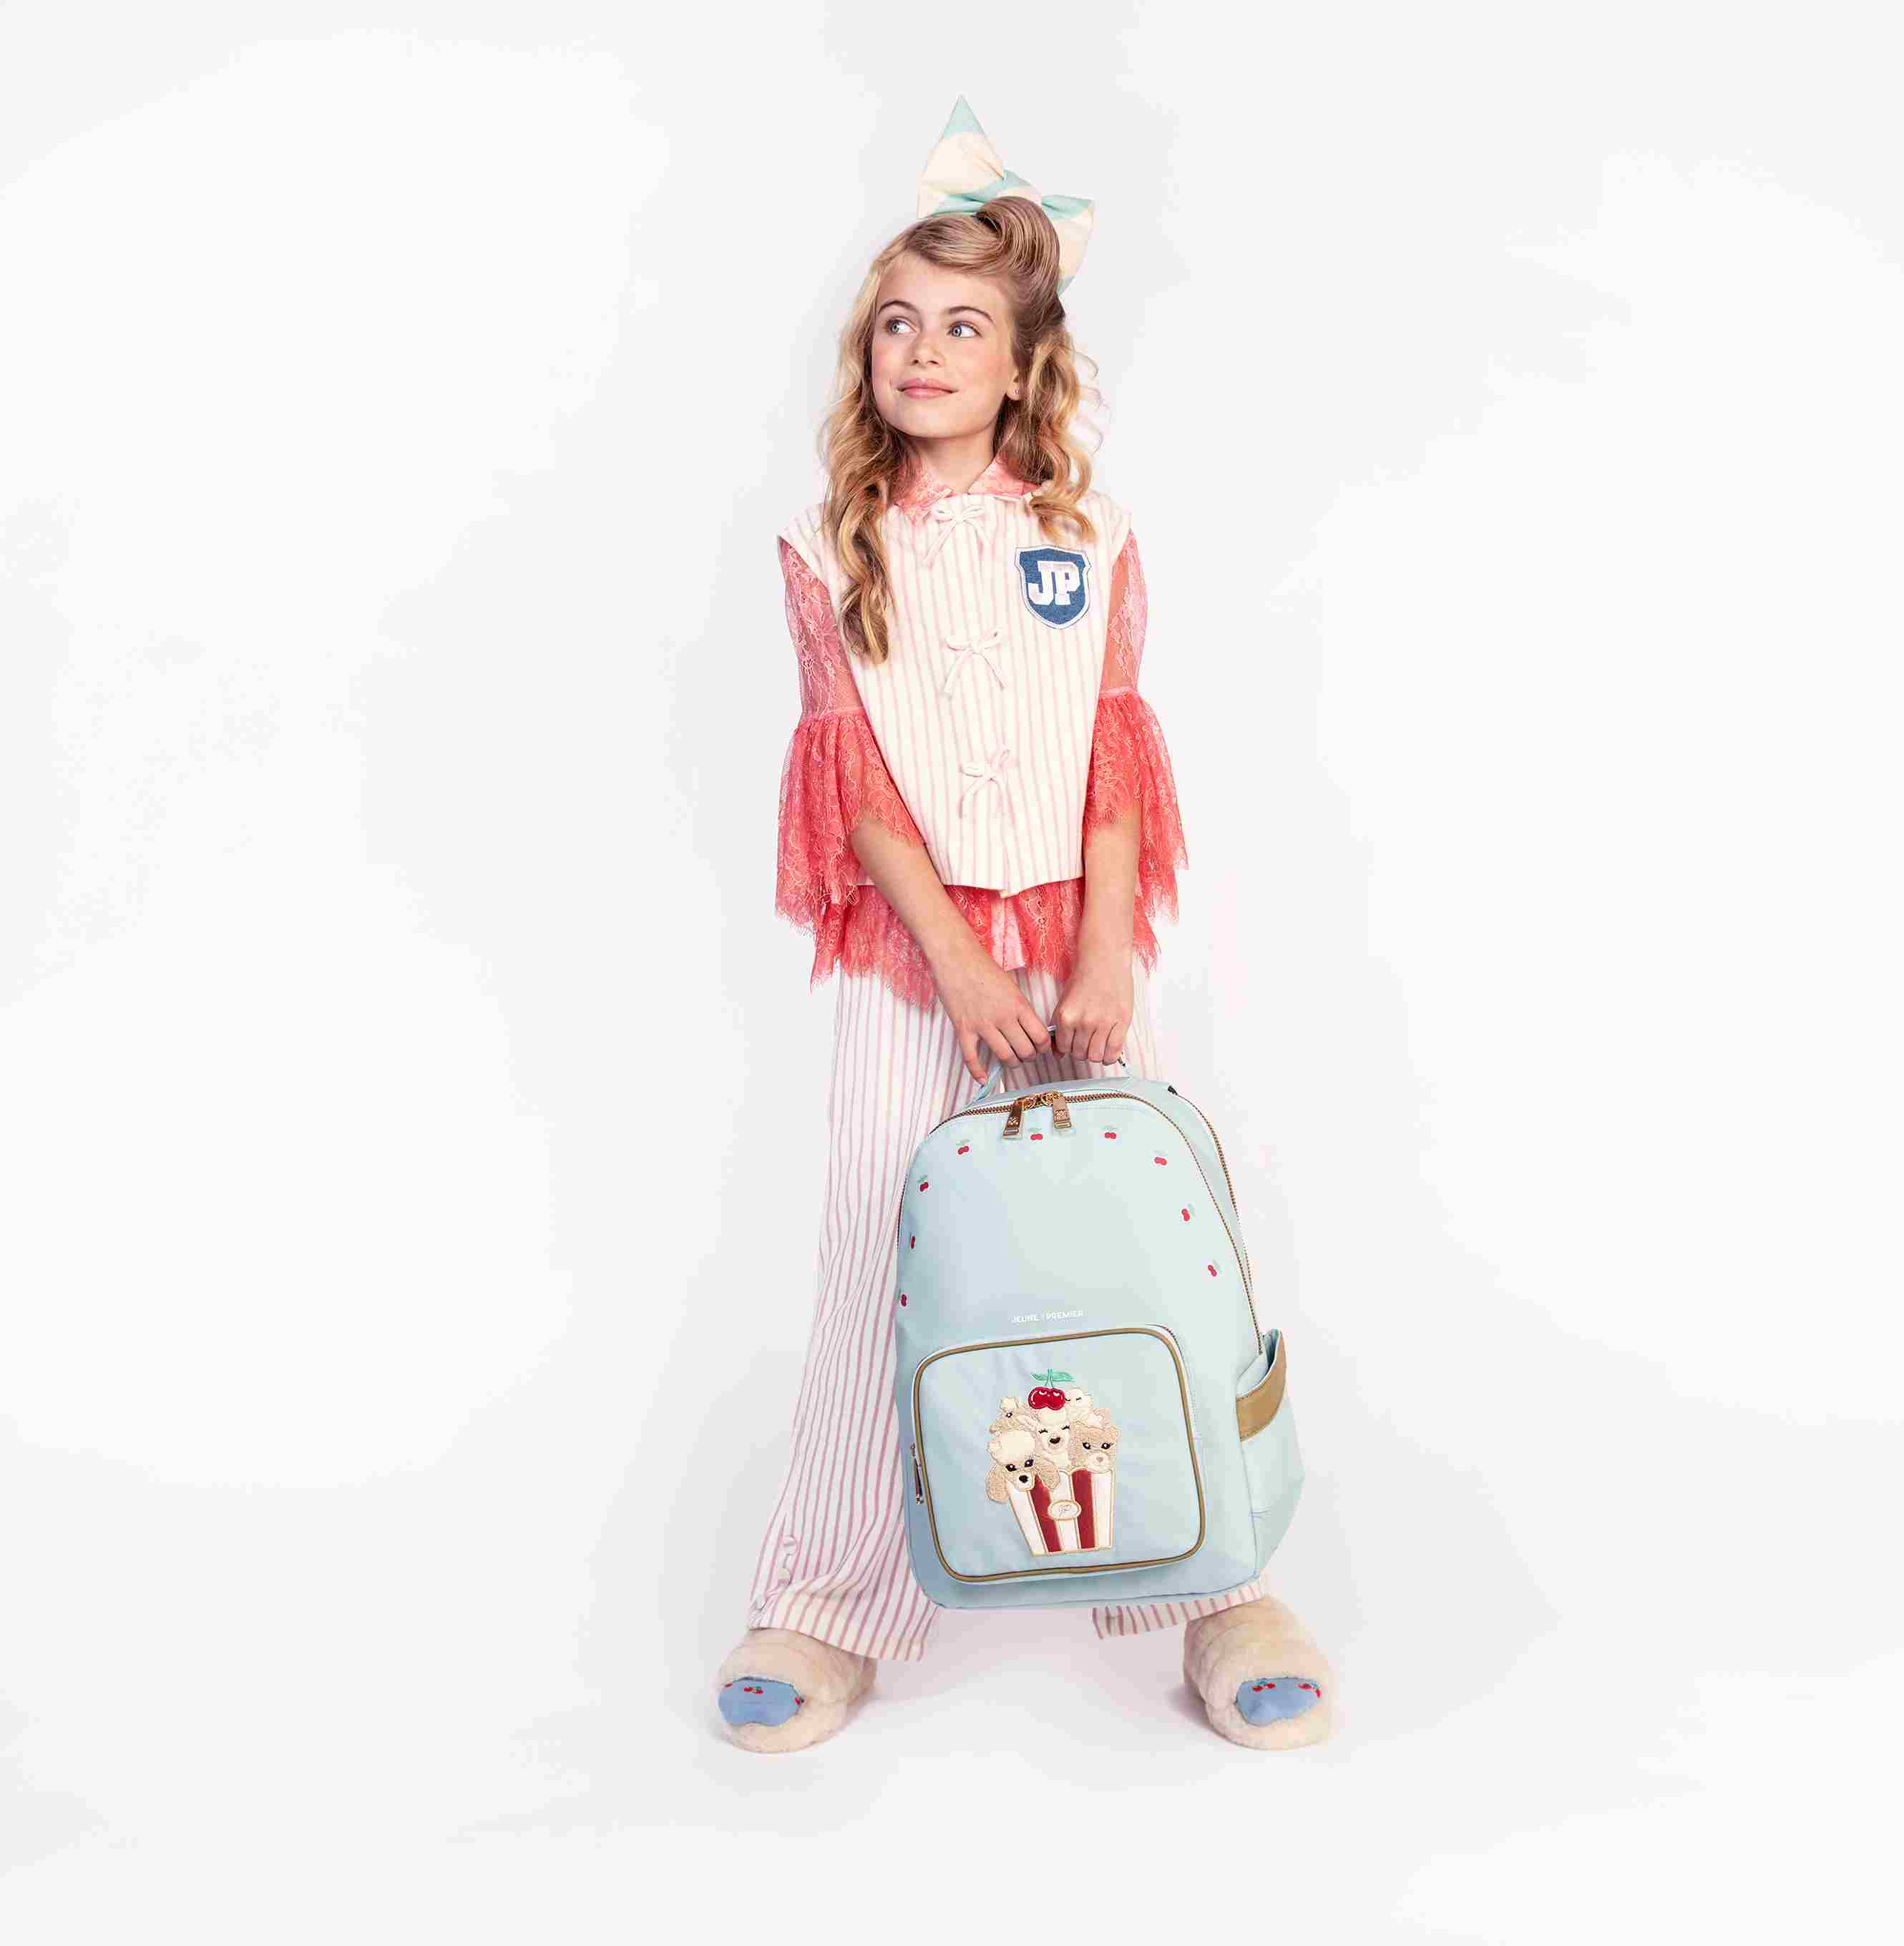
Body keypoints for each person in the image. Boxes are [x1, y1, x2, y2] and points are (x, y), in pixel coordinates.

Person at [713, 100, 1335, 1753]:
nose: (923, 352)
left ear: (1021, 364)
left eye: (961, 328)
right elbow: (850, 781)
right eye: (897, 324)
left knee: (1146, 1232)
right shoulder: (829, 548)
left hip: (1078, 948)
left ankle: (1212, 1583)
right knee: (879, 1243)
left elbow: (1114, 756)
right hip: (915, 956)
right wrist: (958, 963)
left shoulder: (1089, 534)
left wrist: (1103, 949)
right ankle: (831, 1599)